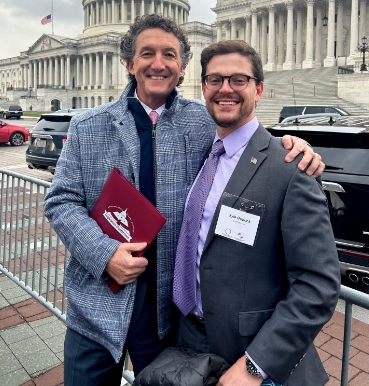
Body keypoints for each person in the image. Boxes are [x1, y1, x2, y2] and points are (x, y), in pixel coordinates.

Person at [44, 15, 325, 385]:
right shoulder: (87, 126)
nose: (158, 63)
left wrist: (291, 145)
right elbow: (60, 200)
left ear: (181, 68)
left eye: (169, 55)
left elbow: (245, 137)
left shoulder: (202, 121)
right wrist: (103, 253)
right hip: (97, 305)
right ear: (130, 63)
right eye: (147, 53)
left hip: (165, 316)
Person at [173, 39, 340, 386]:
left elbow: (318, 284)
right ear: (203, 87)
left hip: (253, 356)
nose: (225, 89)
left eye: (239, 80)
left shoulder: (291, 167)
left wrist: (255, 365)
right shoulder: (203, 155)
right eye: (215, 80)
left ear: (259, 89)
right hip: (190, 341)